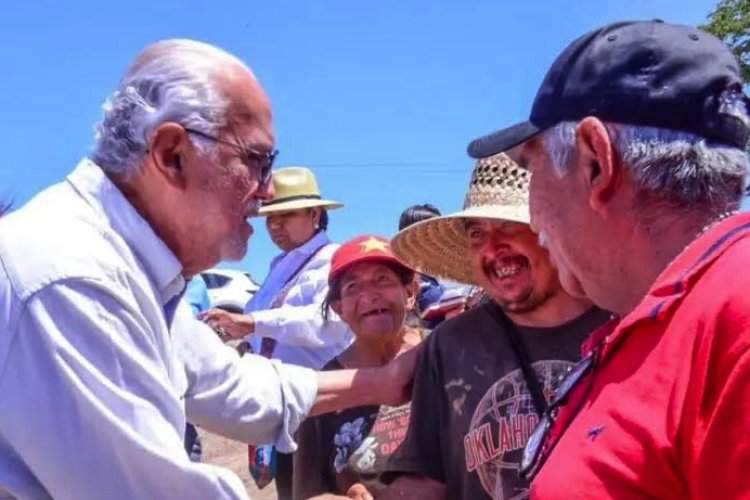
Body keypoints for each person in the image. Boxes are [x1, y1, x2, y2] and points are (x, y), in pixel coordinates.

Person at [0, 39, 417, 500]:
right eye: (257, 161)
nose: (267, 193)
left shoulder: (125, 267)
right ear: (172, 154)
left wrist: (383, 382)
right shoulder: (73, 278)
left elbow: (230, 383)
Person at [466, 20, 750, 499]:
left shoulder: (733, 322)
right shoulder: (667, 317)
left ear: (596, 161)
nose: (531, 217)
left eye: (529, 167)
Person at [375, 153, 611, 500]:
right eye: (477, 234)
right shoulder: (450, 344)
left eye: (510, 227)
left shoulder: (625, 327)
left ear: (553, 230)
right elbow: (427, 475)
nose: (493, 248)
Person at [200, 166, 352, 499]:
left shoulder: (334, 260)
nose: (274, 226)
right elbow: (265, 328)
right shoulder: (277, 267)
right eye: (269, 218)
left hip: (324, 402)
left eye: (285, 216)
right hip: (286, 403)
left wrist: (253, 323)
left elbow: (324, 322)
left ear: (315, 214)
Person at [293, 235, 424, 500]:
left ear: (409, 293)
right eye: (353, 286)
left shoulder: (446, 353)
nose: (369, 295)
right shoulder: (324, 388)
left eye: (382, 279)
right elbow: (308, 493)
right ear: (339, 308)